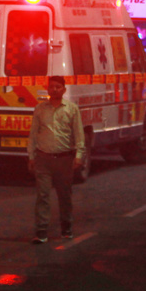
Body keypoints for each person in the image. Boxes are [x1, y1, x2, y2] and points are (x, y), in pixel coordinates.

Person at [27, 75, 85, 244]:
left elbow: (78, 135)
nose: (54, 89)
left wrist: (79, 156)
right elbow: (33, 135)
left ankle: (66, 227)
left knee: (64, 195)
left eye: (58, 87)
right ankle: (41, 231)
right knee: (43, 195)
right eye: (51, 86)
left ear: (64, 90)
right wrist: (31, 156)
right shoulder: (40, 109)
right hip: (43, 159)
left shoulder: (72, 109)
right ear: (48, 89)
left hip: (64, 159)